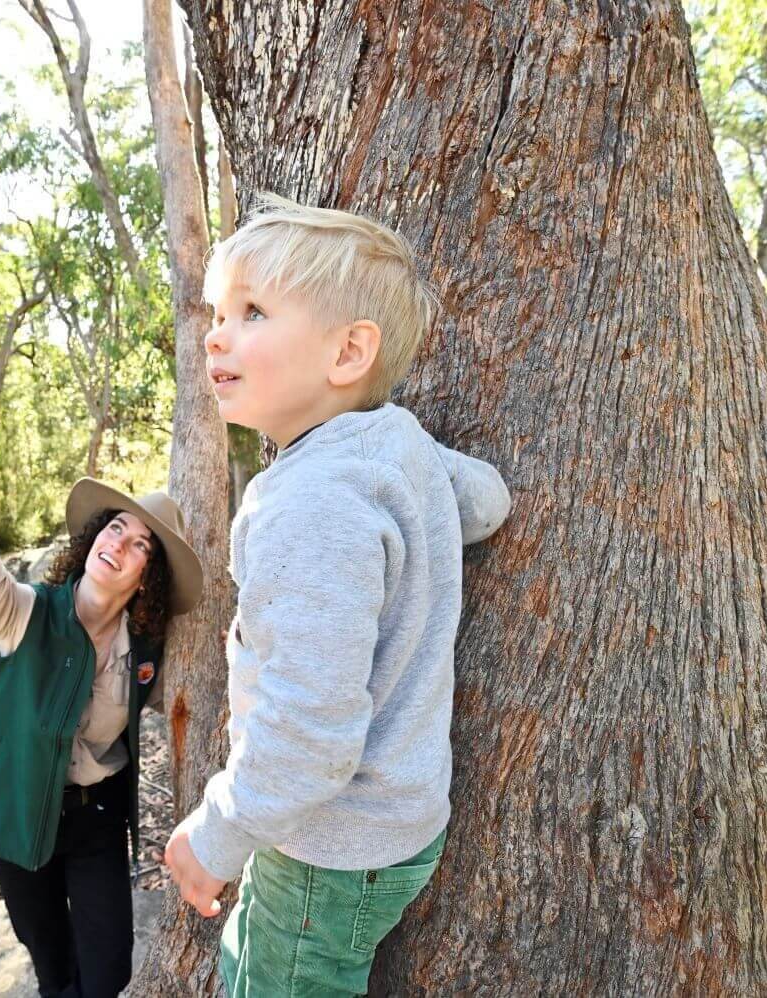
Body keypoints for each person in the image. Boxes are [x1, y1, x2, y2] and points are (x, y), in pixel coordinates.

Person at [162, 193, 513, 996]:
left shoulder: (309, 503)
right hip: (396, 816)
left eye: (252, 312)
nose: (216, 333)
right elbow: (487, 501)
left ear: (349, 352)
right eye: (218, 312)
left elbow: (310, 728)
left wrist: (215, 836)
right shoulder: (397, 447)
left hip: (325, 841)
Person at [0, 360, 203, 998]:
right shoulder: (25, 614)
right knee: (51, 965)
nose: (121, 545)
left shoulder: (148, 652)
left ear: (145, 578)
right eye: (116, 528)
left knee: (106, 973)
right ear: (92, 539)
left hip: (97, 817)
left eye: (141, 547)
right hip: (20, 810)